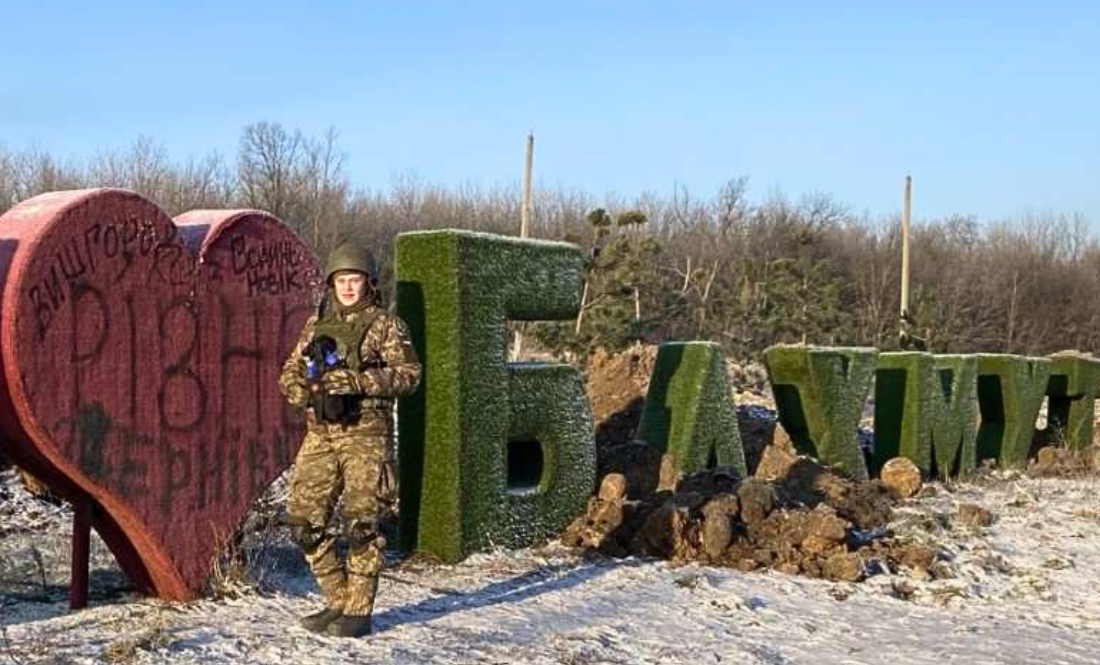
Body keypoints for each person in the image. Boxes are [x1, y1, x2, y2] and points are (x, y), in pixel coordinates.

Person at [278, 241, 421, 638]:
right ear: (331, 284)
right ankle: (338, 599)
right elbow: (289, 371)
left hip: (367, 434)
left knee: (362, 522)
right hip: (321, 433)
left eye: (354, 280)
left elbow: (409, 374)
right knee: (303, 520)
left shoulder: (387, 326)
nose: (347, 288)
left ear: (368, 284)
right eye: (341, 280)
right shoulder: (316, 325)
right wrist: (303, 388)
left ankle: (358, 611)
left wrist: (358, 381)